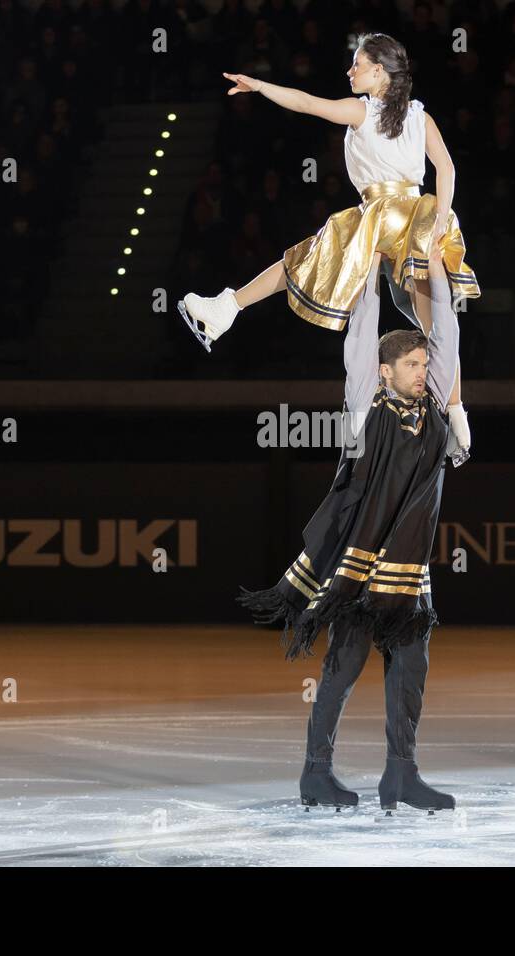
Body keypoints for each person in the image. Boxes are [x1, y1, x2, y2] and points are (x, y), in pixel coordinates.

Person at [177, 32, 476, 459]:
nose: (349, 71)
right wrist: (441, 221)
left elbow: (306, 103)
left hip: (380, 220)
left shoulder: (365, 110)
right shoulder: (418, 117)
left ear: (379, 70)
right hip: (415, 220)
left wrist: (260, 86)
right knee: (439, 327)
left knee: (314, 262)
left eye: (357, 64)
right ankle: (457, 420)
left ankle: (228, 308)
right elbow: (445, 169)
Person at [236, 249, 459, 813]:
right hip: (361, 570)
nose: (420, 370)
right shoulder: (364, 406)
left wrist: (433, 263)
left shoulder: (436, 409)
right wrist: (367, 252)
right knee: (343, 666)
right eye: (411, 363)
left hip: (407, 573)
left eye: (422, 364)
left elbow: (449, 336)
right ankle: (316, 773)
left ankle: (400, 775)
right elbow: (362, 329)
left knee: (412, 669)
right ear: (385, 371)